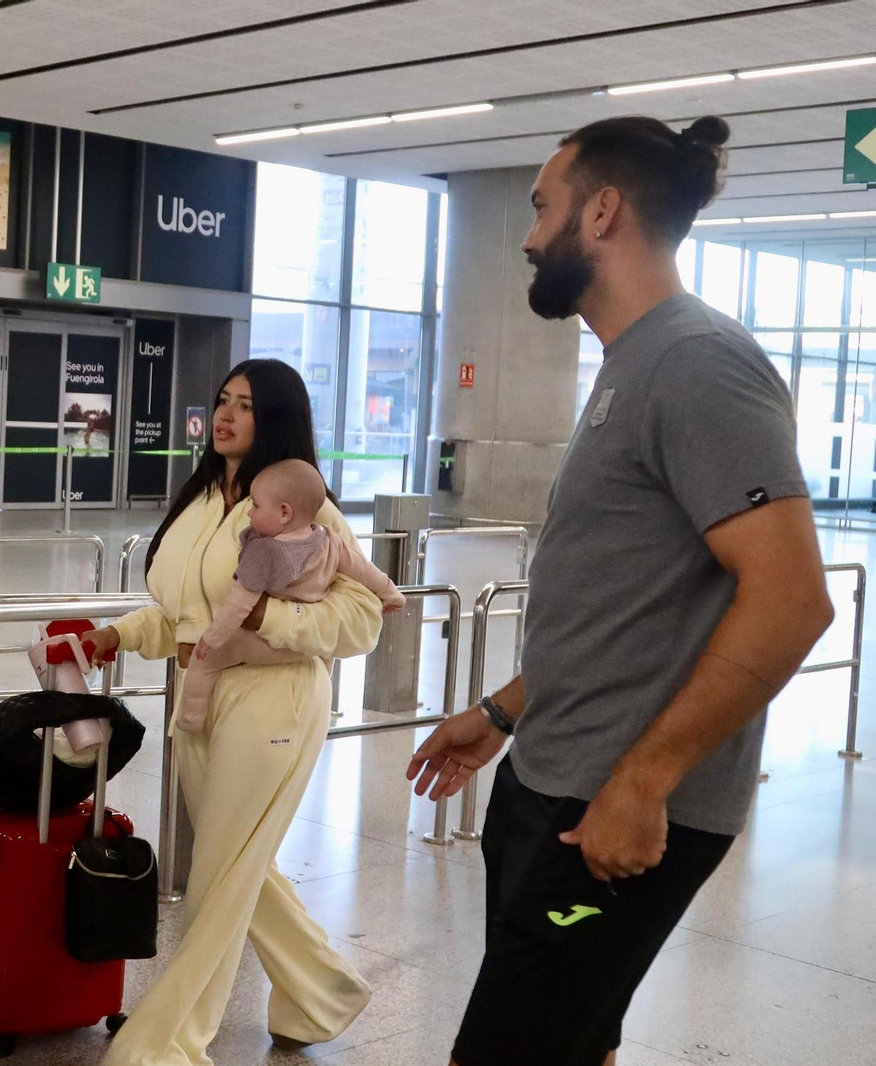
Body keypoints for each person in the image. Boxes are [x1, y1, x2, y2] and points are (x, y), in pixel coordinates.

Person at [406, 115, 832, 1066]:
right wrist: (508, 708)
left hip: (612, 811)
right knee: (575, 1037)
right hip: (555, 777)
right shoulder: (632, 365)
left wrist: (643, 783)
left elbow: (793, 598)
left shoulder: (699, 363)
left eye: (541, 207)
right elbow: (634, 603)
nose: (525, 236)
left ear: (602, 211)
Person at [82, 359, 380, 1065]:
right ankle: (321, 993)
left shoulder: (302, 510)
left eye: (245, 405)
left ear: (273, 417)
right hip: (200, 700)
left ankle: (167, 1044)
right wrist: (118, 633)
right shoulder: (202, 500)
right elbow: (181, 613)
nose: (226, 414)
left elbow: (361, 617)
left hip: (271, 703)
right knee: (242, 867)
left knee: (215, 877)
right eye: (222, 400)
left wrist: (264, 619)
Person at [180, 458, 404, 732]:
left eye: (255, 506)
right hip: (309, 648)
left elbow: (240, 606)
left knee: (205, 661)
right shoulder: (328, 539)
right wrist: (391, 594)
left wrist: (211, 639)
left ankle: (191, 720)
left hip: (268, 643)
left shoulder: (264, 553)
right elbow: (364, 570)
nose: (249, 514)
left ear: (284, 513)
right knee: (323, 661)